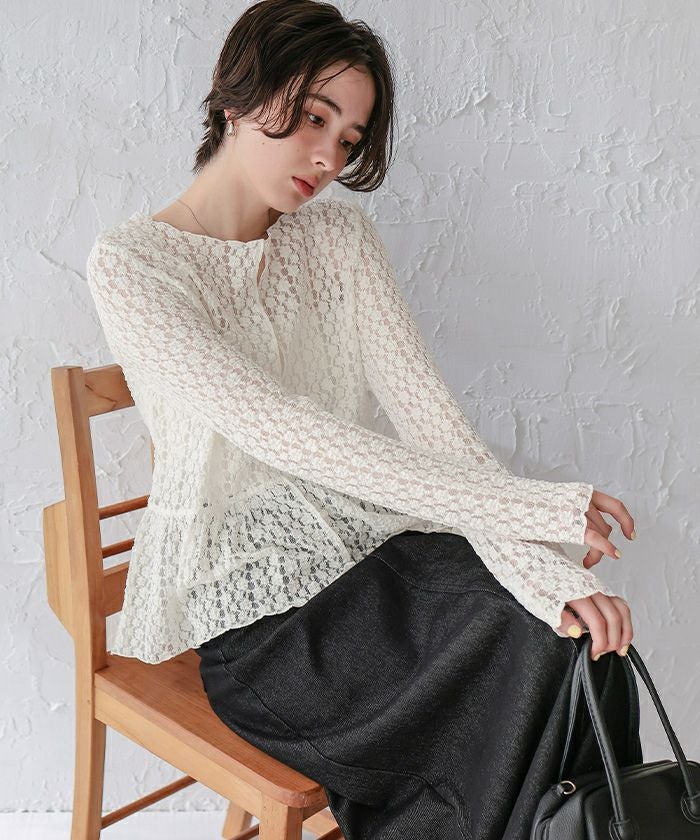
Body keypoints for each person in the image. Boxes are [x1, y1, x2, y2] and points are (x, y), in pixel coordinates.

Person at [85, 1, 639, 837]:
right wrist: (539, 509)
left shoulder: (339, 239)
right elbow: (284, 430)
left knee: (579, 649)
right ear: (238, 96)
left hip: (374, 557)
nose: (328, 157)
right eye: (314, 118)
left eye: (349, 138)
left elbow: (432, 420)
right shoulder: (133, 265)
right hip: (261, 624)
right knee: (528, 671)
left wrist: (540, 567)